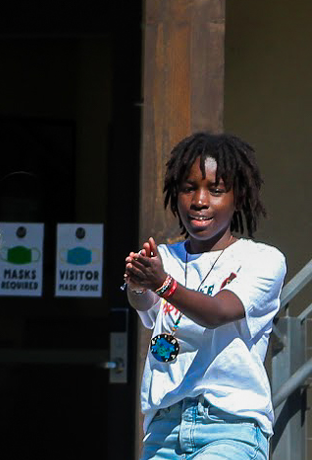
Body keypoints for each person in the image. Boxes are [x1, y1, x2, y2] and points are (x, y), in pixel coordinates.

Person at [122, 132, 285, 460]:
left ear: (237, 197)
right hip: (164, 426)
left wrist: (162, 283)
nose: (199, 200)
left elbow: (217, 312)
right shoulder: (165, 258)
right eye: (188, 188)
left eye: (216, 189)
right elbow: (145, 306)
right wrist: (139, 283)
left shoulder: (262, 260)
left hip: (230, 426)